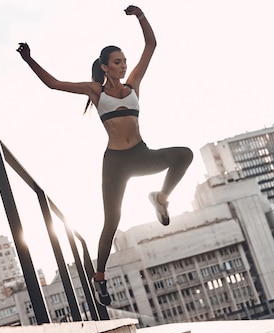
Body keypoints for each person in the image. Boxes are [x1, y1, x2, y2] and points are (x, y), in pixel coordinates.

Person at [17, 5, 193, 308]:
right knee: (112, 220)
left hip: (141, 154)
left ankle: (161, 199)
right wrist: (29, 59)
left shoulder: (133, 84)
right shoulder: (95, 91)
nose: (123, 66)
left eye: (124, 61)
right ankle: (99, 278)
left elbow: (151, 46)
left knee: (184, 155)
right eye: (117, 62)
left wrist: (140, 16)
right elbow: (53, 84)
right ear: (104, 66)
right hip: (115, 163)